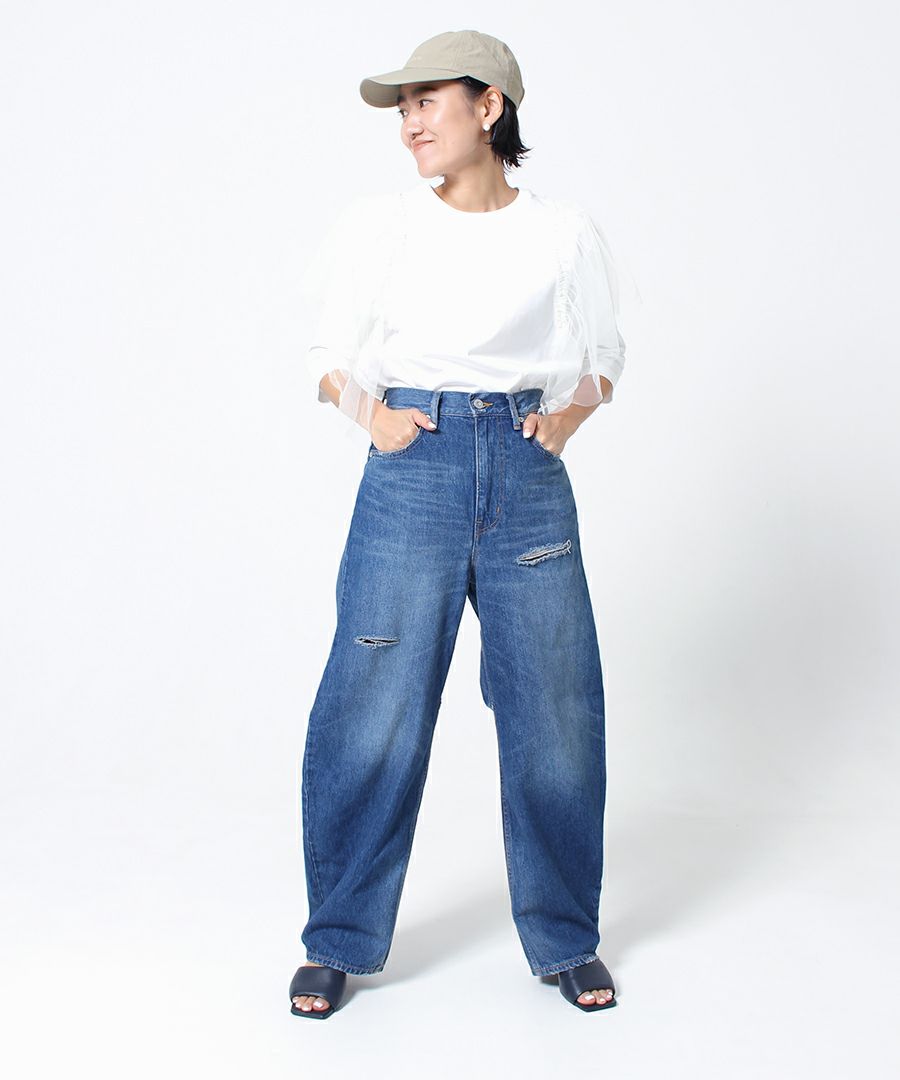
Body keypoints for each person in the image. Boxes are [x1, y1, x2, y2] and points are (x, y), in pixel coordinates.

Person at [289, 29, 636, 1018]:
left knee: (554, 711)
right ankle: (337, 941)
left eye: (426, 101)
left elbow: (605, 355)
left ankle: (566, 939)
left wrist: (560, 424)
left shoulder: (561, 231)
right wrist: (378, 421)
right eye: (402, 108)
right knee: (373, 705)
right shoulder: (384, 227)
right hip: (414, 471)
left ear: (490, 107)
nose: (409, 123)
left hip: (526, 477)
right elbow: (328, 356)